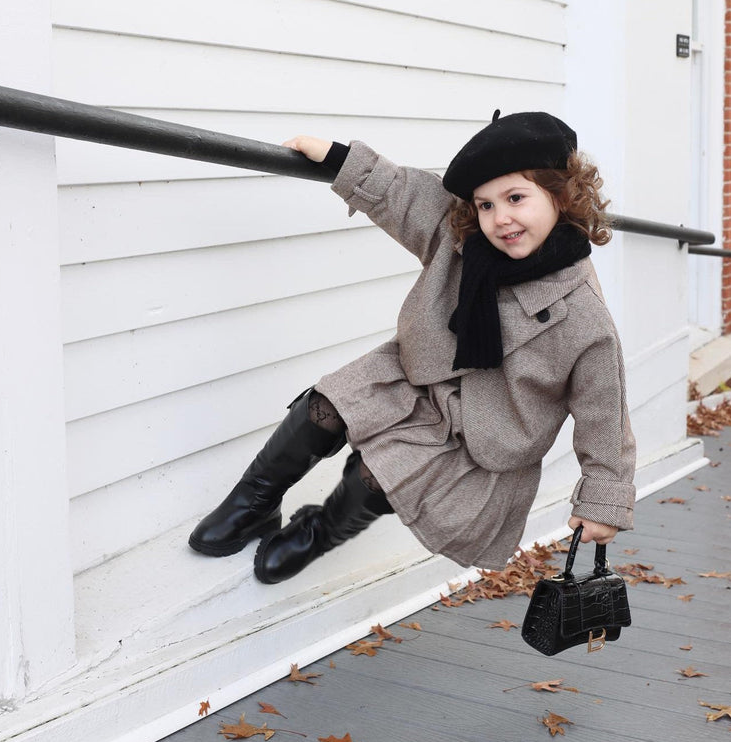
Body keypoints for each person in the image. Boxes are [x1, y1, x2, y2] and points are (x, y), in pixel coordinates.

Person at [188, 111, 636, 585]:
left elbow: (604, 414)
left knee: (379, 477)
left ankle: (317, 532)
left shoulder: (584, 316)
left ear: (563, 195)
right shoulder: (460, 237)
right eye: (485, 205)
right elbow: (403, 194)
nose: (500, 218)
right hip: (416, 375)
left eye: (516, 198)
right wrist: (338, 159)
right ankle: (254, 502)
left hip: (482, 435)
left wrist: (602, 500)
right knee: (323, 406)